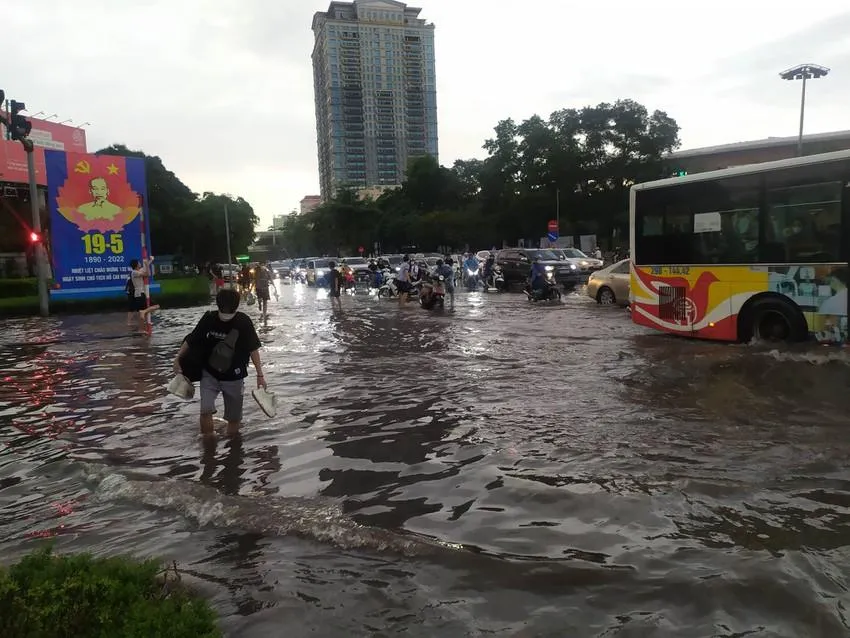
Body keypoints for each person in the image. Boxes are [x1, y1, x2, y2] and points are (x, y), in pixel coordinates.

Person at [173, 288, 265, 438]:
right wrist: (177, 359)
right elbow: (192, 339)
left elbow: (253, 349)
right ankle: (208, 441)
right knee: (205, 410)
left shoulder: (243, 322)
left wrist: (260, 375)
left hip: (234, 377)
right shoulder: (209, 318)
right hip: (210, 374)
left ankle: (231, 443)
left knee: (234, 418)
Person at [126, 257, 159, 331]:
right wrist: (146, 265)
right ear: (136, 265)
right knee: (156, 306)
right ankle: (144, 312)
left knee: (141, 314)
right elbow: (147, 274)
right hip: (140, 294)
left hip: (139, 294)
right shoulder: (134, 272)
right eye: (139, 263)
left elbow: (145, 269)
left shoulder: (137, 271)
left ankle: (141, 330)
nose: (140, 263)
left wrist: (150, 261)